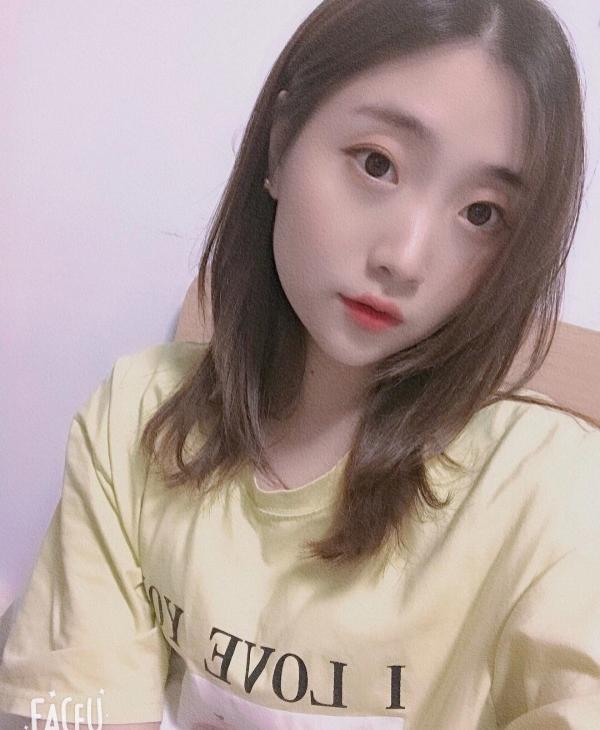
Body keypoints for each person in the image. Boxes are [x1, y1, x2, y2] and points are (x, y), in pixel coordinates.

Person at [1, 0, 599, 727]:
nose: (405, 258)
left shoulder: (554, 492)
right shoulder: (138, 417)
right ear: (281, 142)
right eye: (378, 164)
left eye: (481, 214)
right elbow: (75, 708)